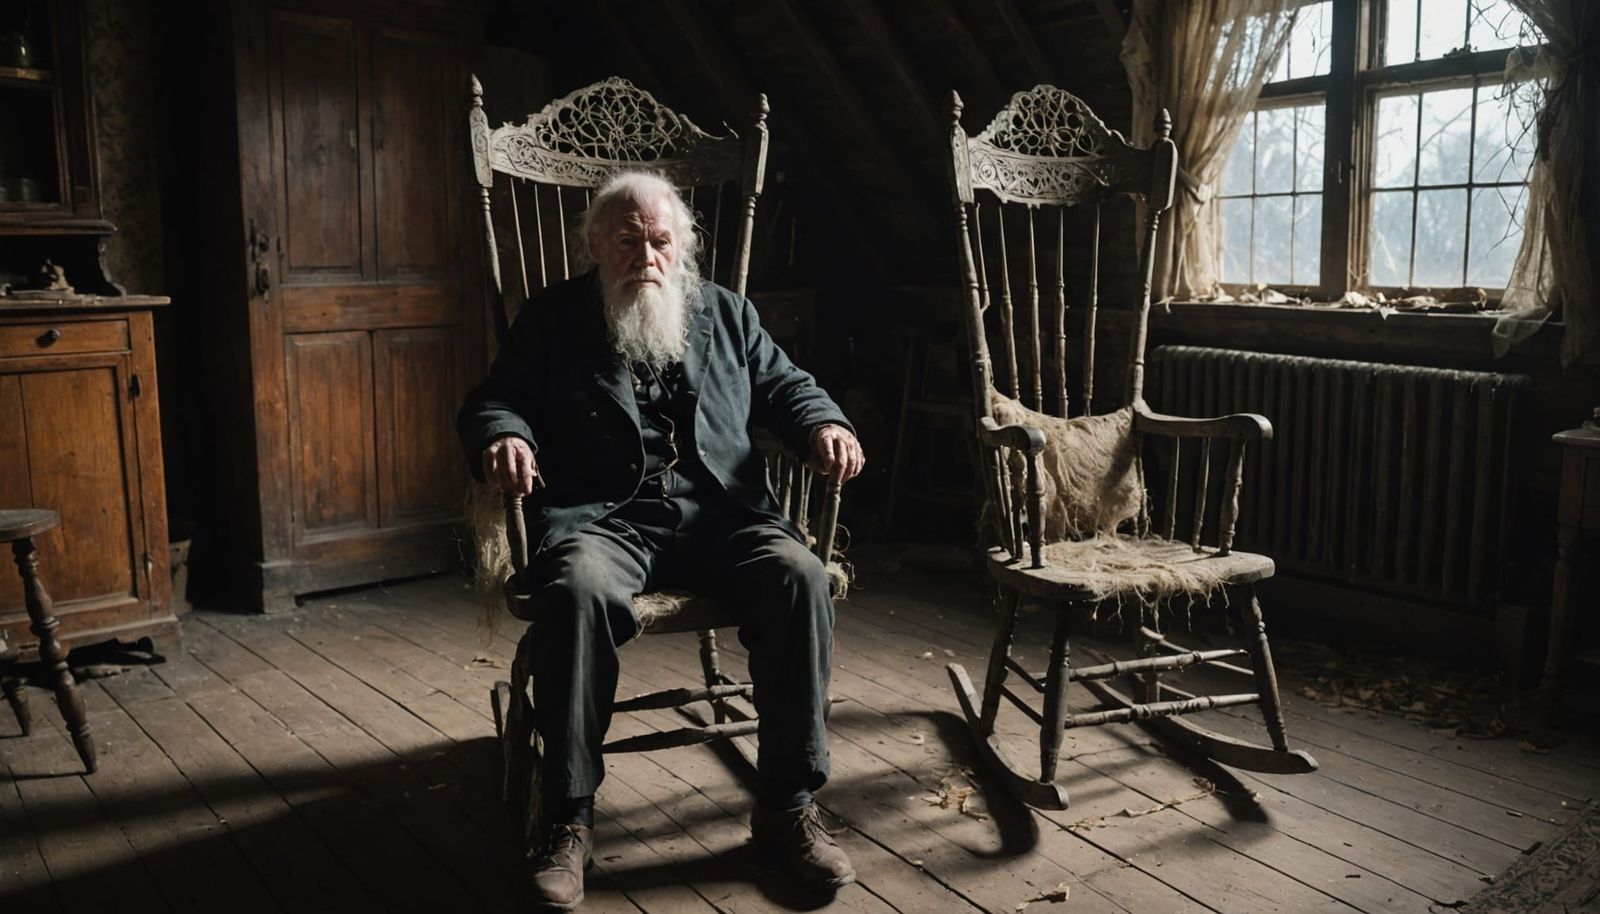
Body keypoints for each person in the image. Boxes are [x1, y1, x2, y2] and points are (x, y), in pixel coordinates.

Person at [458, 170, 865, 910]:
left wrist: (825, 423)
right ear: (594, 247)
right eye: (627, 241)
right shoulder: (553, 319)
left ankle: (787, 806)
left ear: (682, 248)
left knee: (800, 578)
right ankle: (567, 816)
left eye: (660, 241)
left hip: (723, 514)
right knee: (576, 592)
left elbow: (789, 386)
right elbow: (496, 399)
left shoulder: (728, 315)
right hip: (604, 519)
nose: (646, 256)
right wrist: (505, 436)